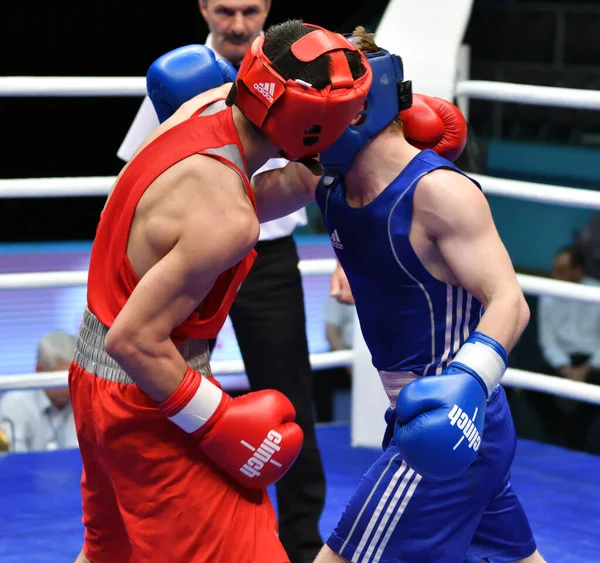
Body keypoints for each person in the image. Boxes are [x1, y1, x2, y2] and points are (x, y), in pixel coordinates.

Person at [69, 21, 372, 563]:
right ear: (313, 124)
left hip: (94, 382)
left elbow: (261, 191)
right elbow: (133, 340)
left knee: (108, 555)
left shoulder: (207, 103)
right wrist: (218, 422)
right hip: (149, 395)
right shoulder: (227, 217)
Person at [248, 28, 546, 563]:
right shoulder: (325, 182)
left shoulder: (438, 193)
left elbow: (510, 301)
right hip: (423, 420)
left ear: (357, 108)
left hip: (452, 419)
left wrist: (466, 384)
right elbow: (237, 203)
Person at [117, 2, 328, 559]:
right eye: (227, 10)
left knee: (289, 396)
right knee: (162, 375)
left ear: (267, 10)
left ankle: (303, 541)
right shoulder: (183, 81)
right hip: (191, 259)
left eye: (250, 10)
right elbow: (136, 173)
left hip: (269, 255)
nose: (237, 24)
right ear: (205, 8)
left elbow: (325, 173)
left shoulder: (299, 80)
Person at [536, 244, 600, 451]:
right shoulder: (548, 294)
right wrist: (565, 367)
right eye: (554, 269)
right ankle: (561, 432)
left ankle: (575, 435)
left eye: (561, 271)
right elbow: (547, 340)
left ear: (577, 271)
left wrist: (587, 368)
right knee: (534, 387)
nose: (554, 275)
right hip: (562, 359)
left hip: (592, 361)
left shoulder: (597, 293)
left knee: (595, 390)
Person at [0, 331, 78, 452]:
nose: (71, 384)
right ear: (39, 370)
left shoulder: (87, 403)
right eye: (63, 377)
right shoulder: (15, 405)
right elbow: (12, 462)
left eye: (76, 376)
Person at [313, 295, 355, 422]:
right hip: (346, 352)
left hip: (378, 354)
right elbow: (331, 332)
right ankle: (324, 425)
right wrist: (348, 362)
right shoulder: (340, 290)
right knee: (319, 374)